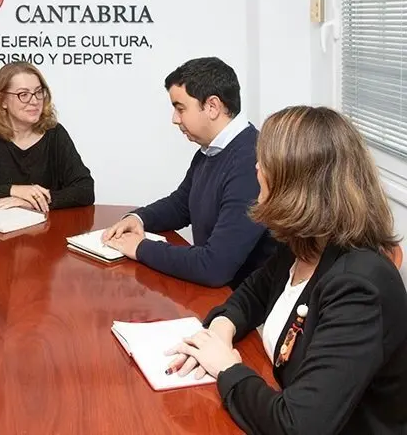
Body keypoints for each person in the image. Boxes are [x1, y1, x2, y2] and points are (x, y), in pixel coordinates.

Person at [166, 106, 407, 434]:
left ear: (296, 182)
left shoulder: (358, 287)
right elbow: (252, 294)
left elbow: (298, 426)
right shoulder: (304, 243)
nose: (256, 167)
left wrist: (226, 368)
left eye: (265, 161)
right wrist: (221, 328)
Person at [102, 57, 272, 288]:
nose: (175, 119)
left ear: (212, 106)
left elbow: (215, 266)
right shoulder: (209, 151)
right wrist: (138, 218)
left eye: (180, 108)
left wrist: (140, 248)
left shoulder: (251, 162)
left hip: (239, 301)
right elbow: (181, 205)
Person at [0, 61, 94, 213]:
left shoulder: (55, 133)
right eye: (23, 94)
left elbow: (85, 189)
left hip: (48, 225)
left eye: (38, 92)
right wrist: (14, 190)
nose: (35, 101)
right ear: (2, 100)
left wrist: (31, 202)